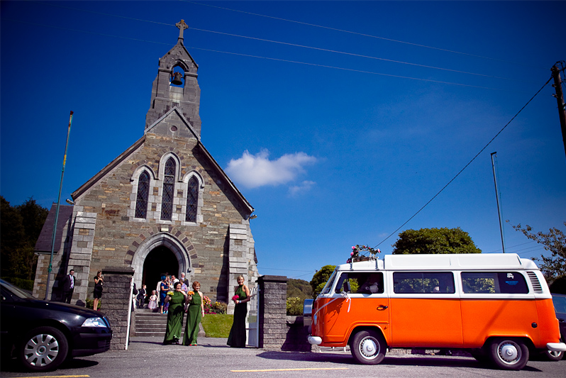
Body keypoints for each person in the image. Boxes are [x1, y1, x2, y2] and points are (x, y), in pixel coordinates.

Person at [227, 275, 250, 348]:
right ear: (237, 281)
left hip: (243, 306)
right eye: (239, 280)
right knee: (236, 323)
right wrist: (234, 300)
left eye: (241, 279)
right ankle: (234, 342)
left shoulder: (245, 287)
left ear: (243, 280)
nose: (240, 281)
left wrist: (240, 301)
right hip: (237, 307)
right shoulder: (236, 288)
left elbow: (248, 298)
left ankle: (241, 343)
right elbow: (234, 297)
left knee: (241, 323)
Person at [183, 281, 204, 346]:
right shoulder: (190, 293)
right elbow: (187, 302)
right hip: (192, 309)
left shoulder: (200, 293)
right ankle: (188, 340)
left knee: (196, 325)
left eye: (198, 286)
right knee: (190, 324)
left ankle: (194, 340)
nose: (197, 287)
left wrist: (202, 311)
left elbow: (201, 302)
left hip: (198, 309)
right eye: (196, 286)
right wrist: (188, 299)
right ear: (193, 287)